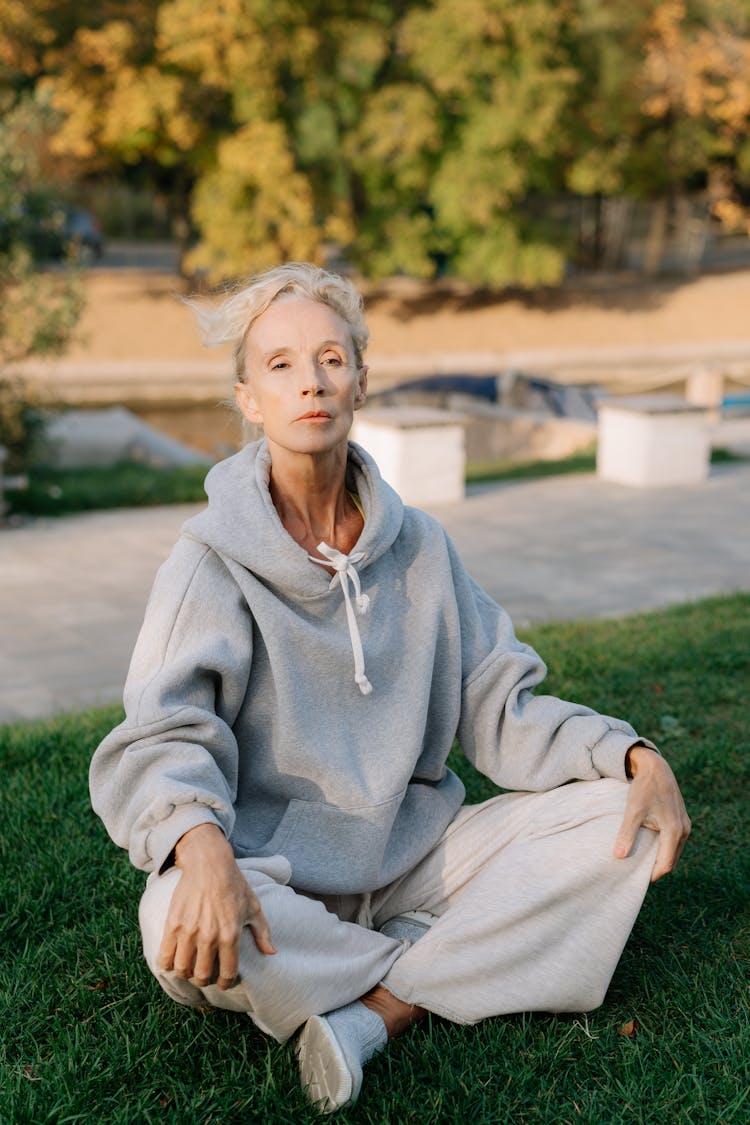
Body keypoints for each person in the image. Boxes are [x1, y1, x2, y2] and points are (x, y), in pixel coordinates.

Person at [89, 262, 690, 1114]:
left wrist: (629, 749)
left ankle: (376, 1010)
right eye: (282, 364)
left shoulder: (424, 549)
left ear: (361, 381)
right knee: (169, 924)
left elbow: (500, 702)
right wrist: (201, 844)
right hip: (280, 876)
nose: (311, 382)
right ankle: (447, 964)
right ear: (248, 397)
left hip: (419, 859)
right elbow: (160, 735)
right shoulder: (209, 563)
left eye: (331, 358)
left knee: (612, 820)